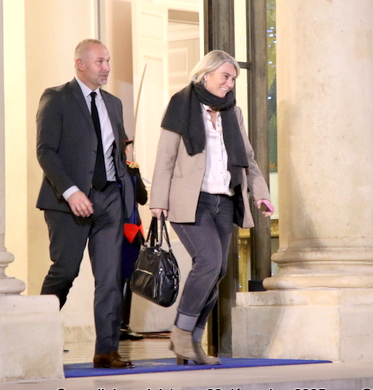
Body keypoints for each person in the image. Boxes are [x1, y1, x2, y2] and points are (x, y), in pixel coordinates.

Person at [149, 49, 274, 365]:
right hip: (191, 201)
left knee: (217, 270)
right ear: (206, 74)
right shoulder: (181, 104)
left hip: (224, 200)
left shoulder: (233, 112)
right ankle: (181, 330)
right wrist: (158, 201)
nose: (230, 84)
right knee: (208, 261)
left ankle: (191, 342)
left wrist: (260, 193)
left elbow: (247, 159)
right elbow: (165, 157)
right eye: (226, 77)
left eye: (233, 79)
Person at [36, 39, 135, 369]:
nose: (106, 67)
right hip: (68, 203)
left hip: (109, 200)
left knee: (109, 278)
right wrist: (71, 192)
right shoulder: (56, 98)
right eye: (99, 62)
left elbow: (117, 151)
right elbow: (45, 151)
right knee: (65, 271)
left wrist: (127, 184)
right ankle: (35, 338)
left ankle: (106, 351)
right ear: (80, 64)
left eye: (108, 61)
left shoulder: (114, 104)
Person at [120, 140, 147, 341]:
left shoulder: (130, 170)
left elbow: (143, 198)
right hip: (120, 231)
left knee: (125, 279)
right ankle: (118, 325)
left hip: (126, 231)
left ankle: (121, 324)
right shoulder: (128, 170)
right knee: (119, 279)